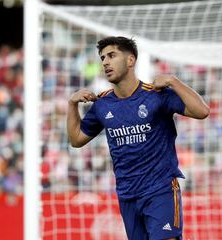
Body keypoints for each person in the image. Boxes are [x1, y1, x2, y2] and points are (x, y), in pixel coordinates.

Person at [67, 36, 209, 240]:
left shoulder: (156, 94)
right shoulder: (102, 104)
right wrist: (72, 104)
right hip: (128, 195)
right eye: (103, 58)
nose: (105, 62)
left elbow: (202, 111)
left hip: (160, 189)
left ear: (130, 60)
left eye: (112, 55)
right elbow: (76, 139)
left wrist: (173, 81)